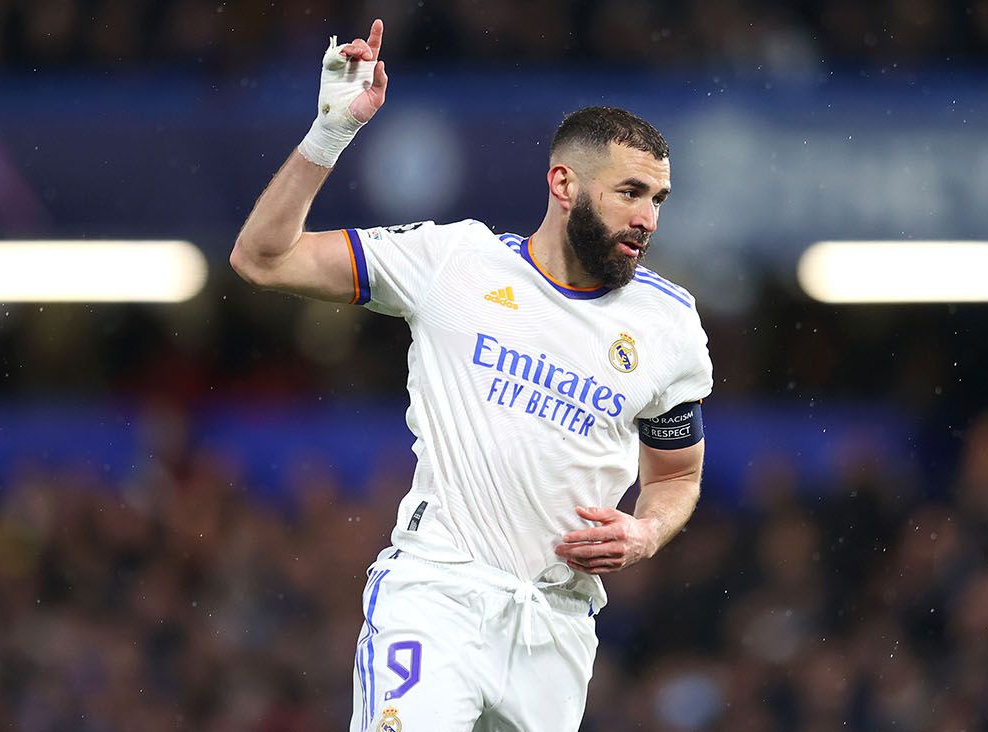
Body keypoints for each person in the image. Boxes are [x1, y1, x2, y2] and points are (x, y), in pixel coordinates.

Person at [230, 19, 712, 732]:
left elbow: (675, 477)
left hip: (556, 627)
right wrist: (329, 134)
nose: (647, 218)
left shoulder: (670, 325)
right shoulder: (453, 262)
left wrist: (644, 535)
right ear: (563, 183)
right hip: (438, 596)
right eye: (631, 193)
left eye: (659, 200)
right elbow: (262, 258)